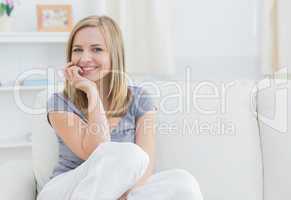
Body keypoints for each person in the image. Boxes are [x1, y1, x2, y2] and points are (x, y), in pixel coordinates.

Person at [37, 15, 203, 200]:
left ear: (114, 55)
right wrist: (91, 91)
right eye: (77, 50)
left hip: (122, 192)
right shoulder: (60, 102)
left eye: (97, 49)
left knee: (182, 182)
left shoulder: (140, 99)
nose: (84, 58)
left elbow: (145, 169)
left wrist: (119, 195)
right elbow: (97, 150)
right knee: (128, 154)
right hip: (65, 189)